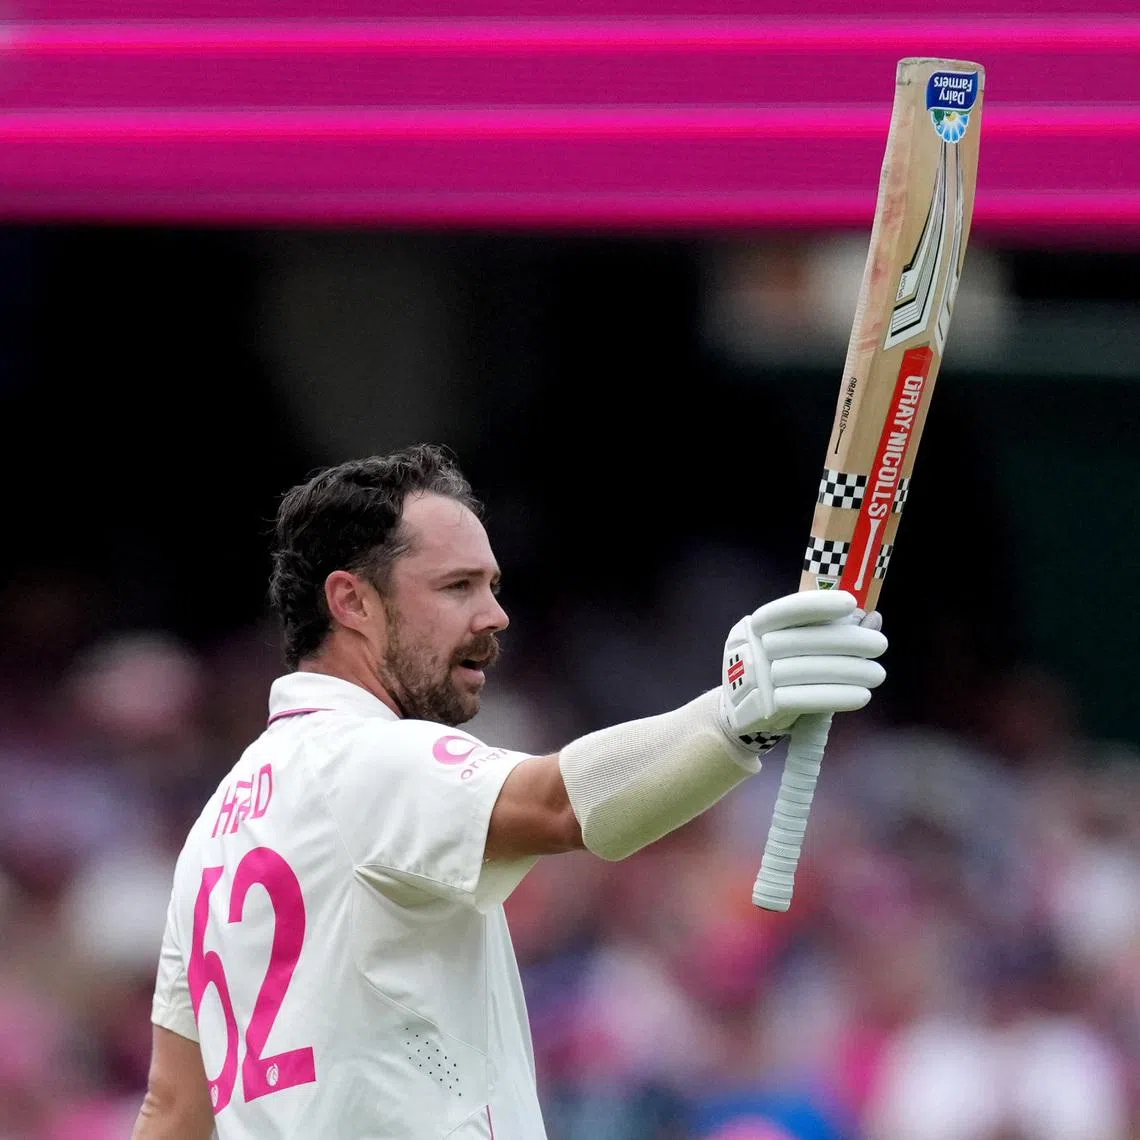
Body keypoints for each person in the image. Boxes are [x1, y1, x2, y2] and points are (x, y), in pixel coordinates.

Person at [131, 443, 887, 1140]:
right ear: (352, 602)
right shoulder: (370, 760)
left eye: (491, 586)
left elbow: (173, 1108)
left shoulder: (214, 830)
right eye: (457, 587)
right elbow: (558, 805)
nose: (495, 615)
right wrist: (736, 716)